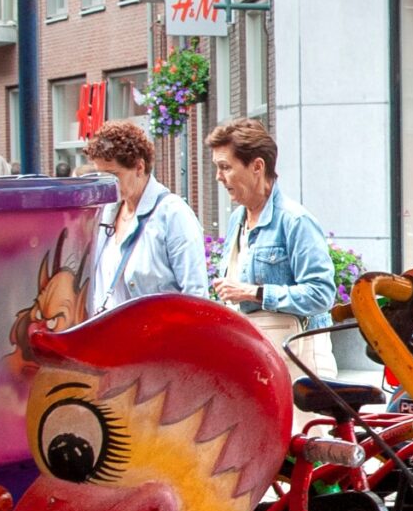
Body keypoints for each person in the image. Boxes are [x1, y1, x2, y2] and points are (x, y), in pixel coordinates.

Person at [206, 116, 337, 381]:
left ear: (257, 166)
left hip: (297, 362)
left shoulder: (295, 220)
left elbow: (322, 295)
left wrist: (255, 293)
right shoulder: (238, 219)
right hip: (257, 360)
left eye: (225, 167)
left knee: (302, 426)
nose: (219, 177)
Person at [85, 119, 208, 311]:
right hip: (109, 338)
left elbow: (196, 295)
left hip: (158, 338)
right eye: (101, 176)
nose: (107, 184)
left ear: (139, 167)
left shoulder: (172, 214)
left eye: (113, 175)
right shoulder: (105, 213)